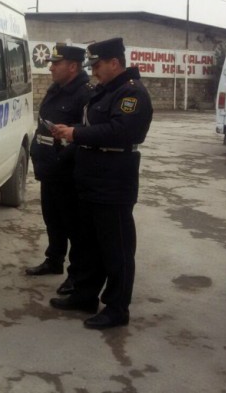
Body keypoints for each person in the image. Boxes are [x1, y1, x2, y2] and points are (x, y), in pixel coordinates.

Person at [49, 37, 153, 330]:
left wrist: (75, 134)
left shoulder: (132, 94)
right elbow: (93, 126)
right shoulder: (106, 90)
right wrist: (70, 135)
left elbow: (119, 131)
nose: (93, 71)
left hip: (113, 179)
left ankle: (117, 307)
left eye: (97, 65)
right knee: (88, 243)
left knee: (116, 248)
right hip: (91, 177)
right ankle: (85, 295)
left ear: (114, 63)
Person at [26, 44, 94, 295]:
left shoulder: (85, 94)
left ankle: (76, 275)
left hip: (68, 171)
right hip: (50, 169)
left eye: (57, 63)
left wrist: (62, 159)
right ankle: (54, 260)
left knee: (74, 225)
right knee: (52, 219)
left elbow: (84, 135)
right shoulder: (56, 89)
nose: (51, 67)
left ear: (73, 66)